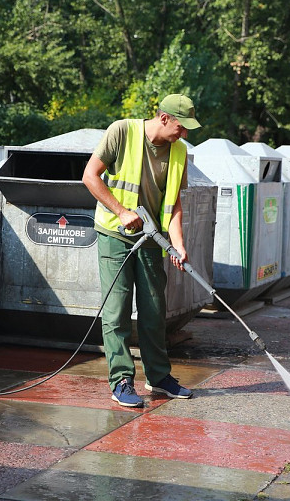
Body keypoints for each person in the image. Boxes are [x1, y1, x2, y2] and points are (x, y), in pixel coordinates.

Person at [82, 93, 201, 407]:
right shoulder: (122, 132)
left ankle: (158, 377)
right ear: (164, 118)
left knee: (153, 311)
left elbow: (174, 203)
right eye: (181, 126)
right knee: (117, 310)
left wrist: (178, 245)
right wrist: (122, 212)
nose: (185, 133)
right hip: (115, 234)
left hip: (152, 239)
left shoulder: (179, 152)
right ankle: (121, 379)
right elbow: (89, 176)